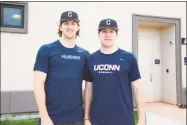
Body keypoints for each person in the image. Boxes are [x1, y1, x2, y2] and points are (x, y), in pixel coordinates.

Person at [84, 18, 146, 125]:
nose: (107, 35)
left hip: (124, 119)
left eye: (111, 31)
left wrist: (141, 120)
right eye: (104, 31)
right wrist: (86, 118)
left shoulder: (129, 58)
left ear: (116, 35)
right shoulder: (91, 59)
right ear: (98, 34)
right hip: (97, 119)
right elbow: (88, 89)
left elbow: (138, 89)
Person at [33, 11, 89, 125]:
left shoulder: (85, 55)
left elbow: (90, 85)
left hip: (77, 118)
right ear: (60, 26)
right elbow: (38, 83)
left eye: (73, 23)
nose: (69, 26)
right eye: (66, 23)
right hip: (52, 118)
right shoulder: (46, 50)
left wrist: (86, 117)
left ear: (78, 27)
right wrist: (44, 117)